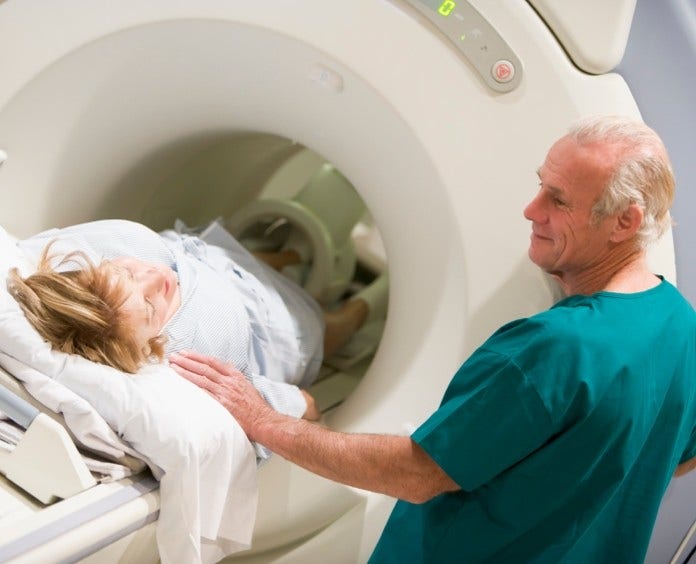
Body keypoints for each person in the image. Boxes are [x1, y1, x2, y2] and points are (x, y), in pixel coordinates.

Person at [169, 115, 696, 563]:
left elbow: (418, 474)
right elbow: (678, 455)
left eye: (558, 200)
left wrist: (263, 419)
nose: (531, 210)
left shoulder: (555, 349)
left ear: (624, 222)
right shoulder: (679, 324)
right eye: (540, 186)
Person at [8, 219, 380, 422]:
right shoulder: (183, 362)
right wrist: (302, 408)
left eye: (127, 270)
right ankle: (376, 293)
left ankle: (294, 253)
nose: (157, 277)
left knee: (256, 259)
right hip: (276, 325)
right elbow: (294, 403)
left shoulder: (80, 270)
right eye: (151, 306)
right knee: (333, 327)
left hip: (215, 260)